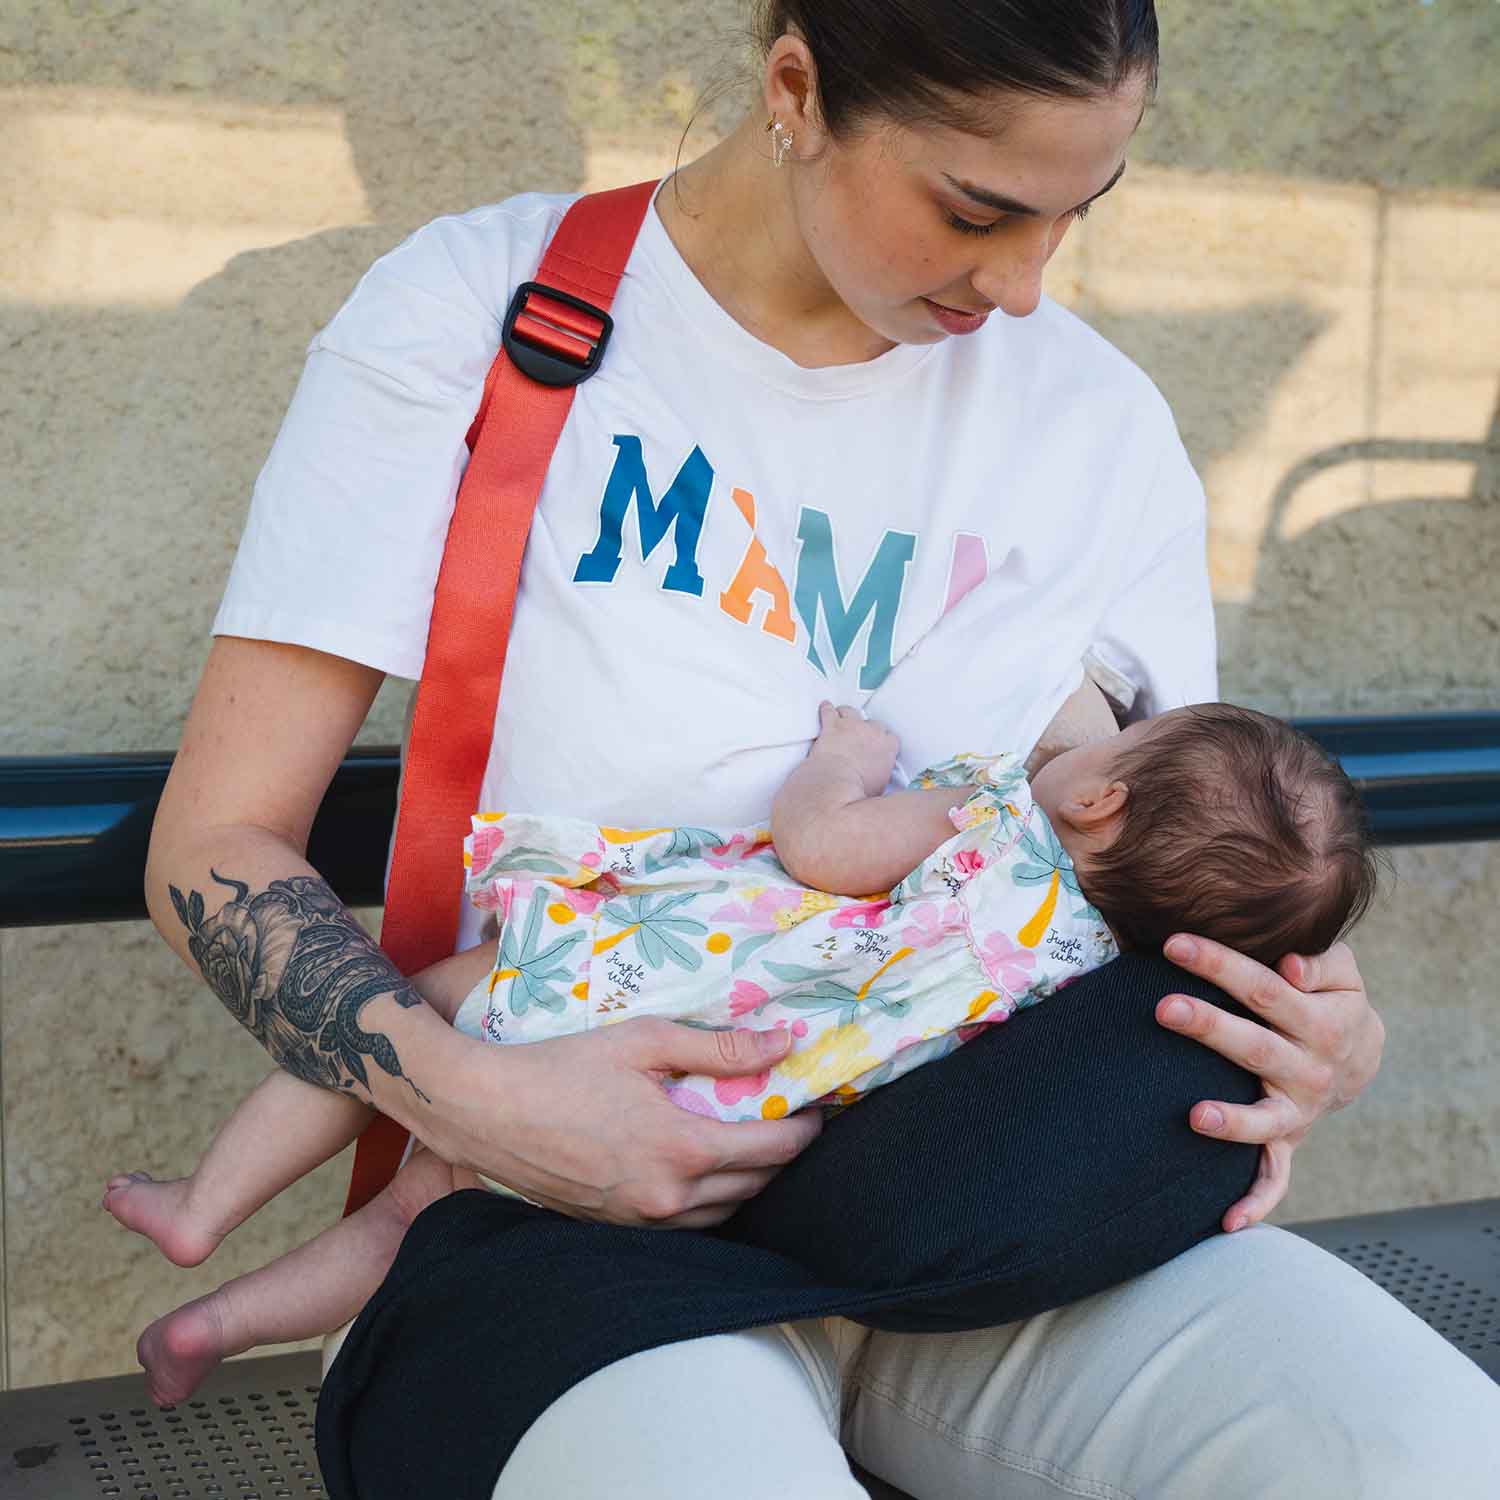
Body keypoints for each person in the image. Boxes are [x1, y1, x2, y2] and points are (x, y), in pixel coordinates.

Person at [142, 1, 1500, 1494]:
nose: (1023, 285)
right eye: (977, 210)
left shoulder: (1098, 424)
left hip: (988, 1206)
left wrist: (1327, 1033)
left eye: (1074, 216)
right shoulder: (489, 314)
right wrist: (474, 1103)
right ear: (794, 87)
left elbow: (1177, 841)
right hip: (555, 1224)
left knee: (1428, 1454)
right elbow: (218, 849)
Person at [115, 689, 1382, 1408]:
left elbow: (824, 850)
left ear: (1100, 796)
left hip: (633, 991)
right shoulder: (1092, 960)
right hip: (725, 1127)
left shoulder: (997, 821)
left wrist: (845, 762)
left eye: (1127, 735)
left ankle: (203, 1205)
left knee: (396, 1006)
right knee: (410, 1223)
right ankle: (219, 1326)